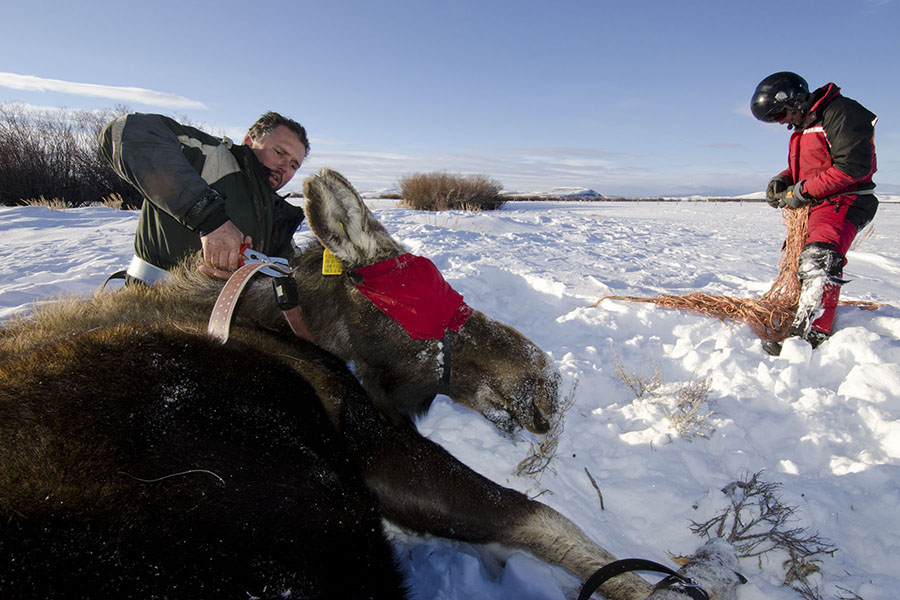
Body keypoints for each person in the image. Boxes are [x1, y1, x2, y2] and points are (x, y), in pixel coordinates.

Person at [99, 111, 309, 284]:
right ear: (248, 141)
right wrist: (209, 219)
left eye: (293, 165)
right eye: (279, 152)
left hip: (221, 320)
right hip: (152, 305)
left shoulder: (277, 214)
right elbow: (128, 131)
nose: (284, 167)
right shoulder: (209, 155)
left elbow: (294, 270)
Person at [751, 72, 878, 356]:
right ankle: (802, 315)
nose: (781, 121)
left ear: (794, 99)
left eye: (781, 113)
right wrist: (785, 179)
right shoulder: (805, 125)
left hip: (845, 201)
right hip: (819, 202)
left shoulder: (841, 113)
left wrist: (801, 192)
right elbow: (814, 166)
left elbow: (852, 167)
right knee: (800, 261)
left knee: (819, 258)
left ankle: (809, 336)